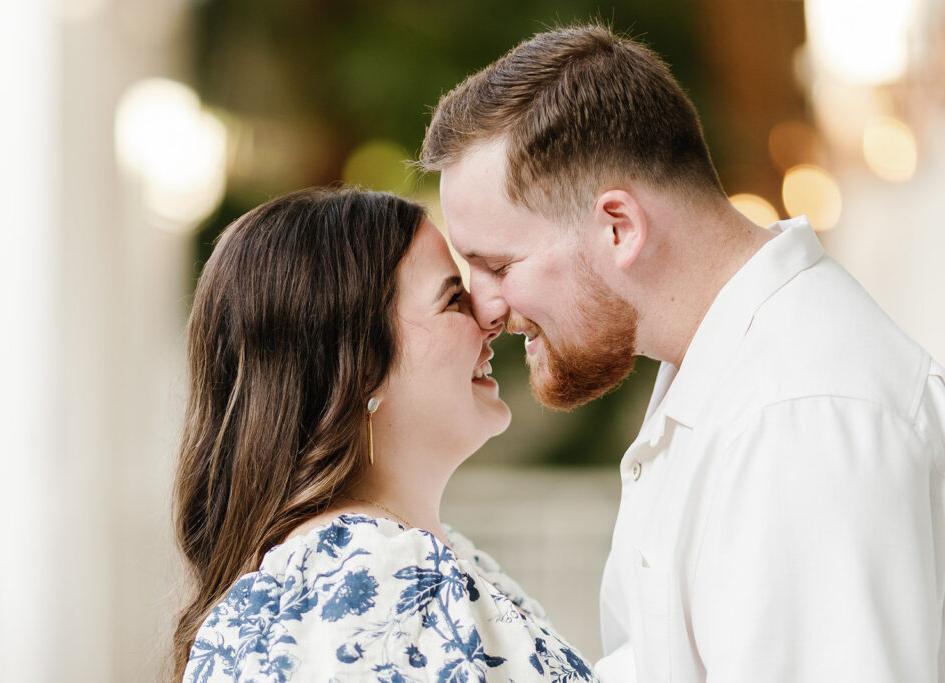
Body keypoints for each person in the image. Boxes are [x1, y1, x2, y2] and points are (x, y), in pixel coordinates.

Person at [420, 23, 945, 683]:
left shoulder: (798, 414)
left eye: (497, 264)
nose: (485, 307)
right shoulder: (723, 366)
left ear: (620, 228)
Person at [170, 187, 599, 682]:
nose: (490, 316)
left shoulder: (405, 559)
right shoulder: (361, 575)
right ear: (360, 368)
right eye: (453, 298)